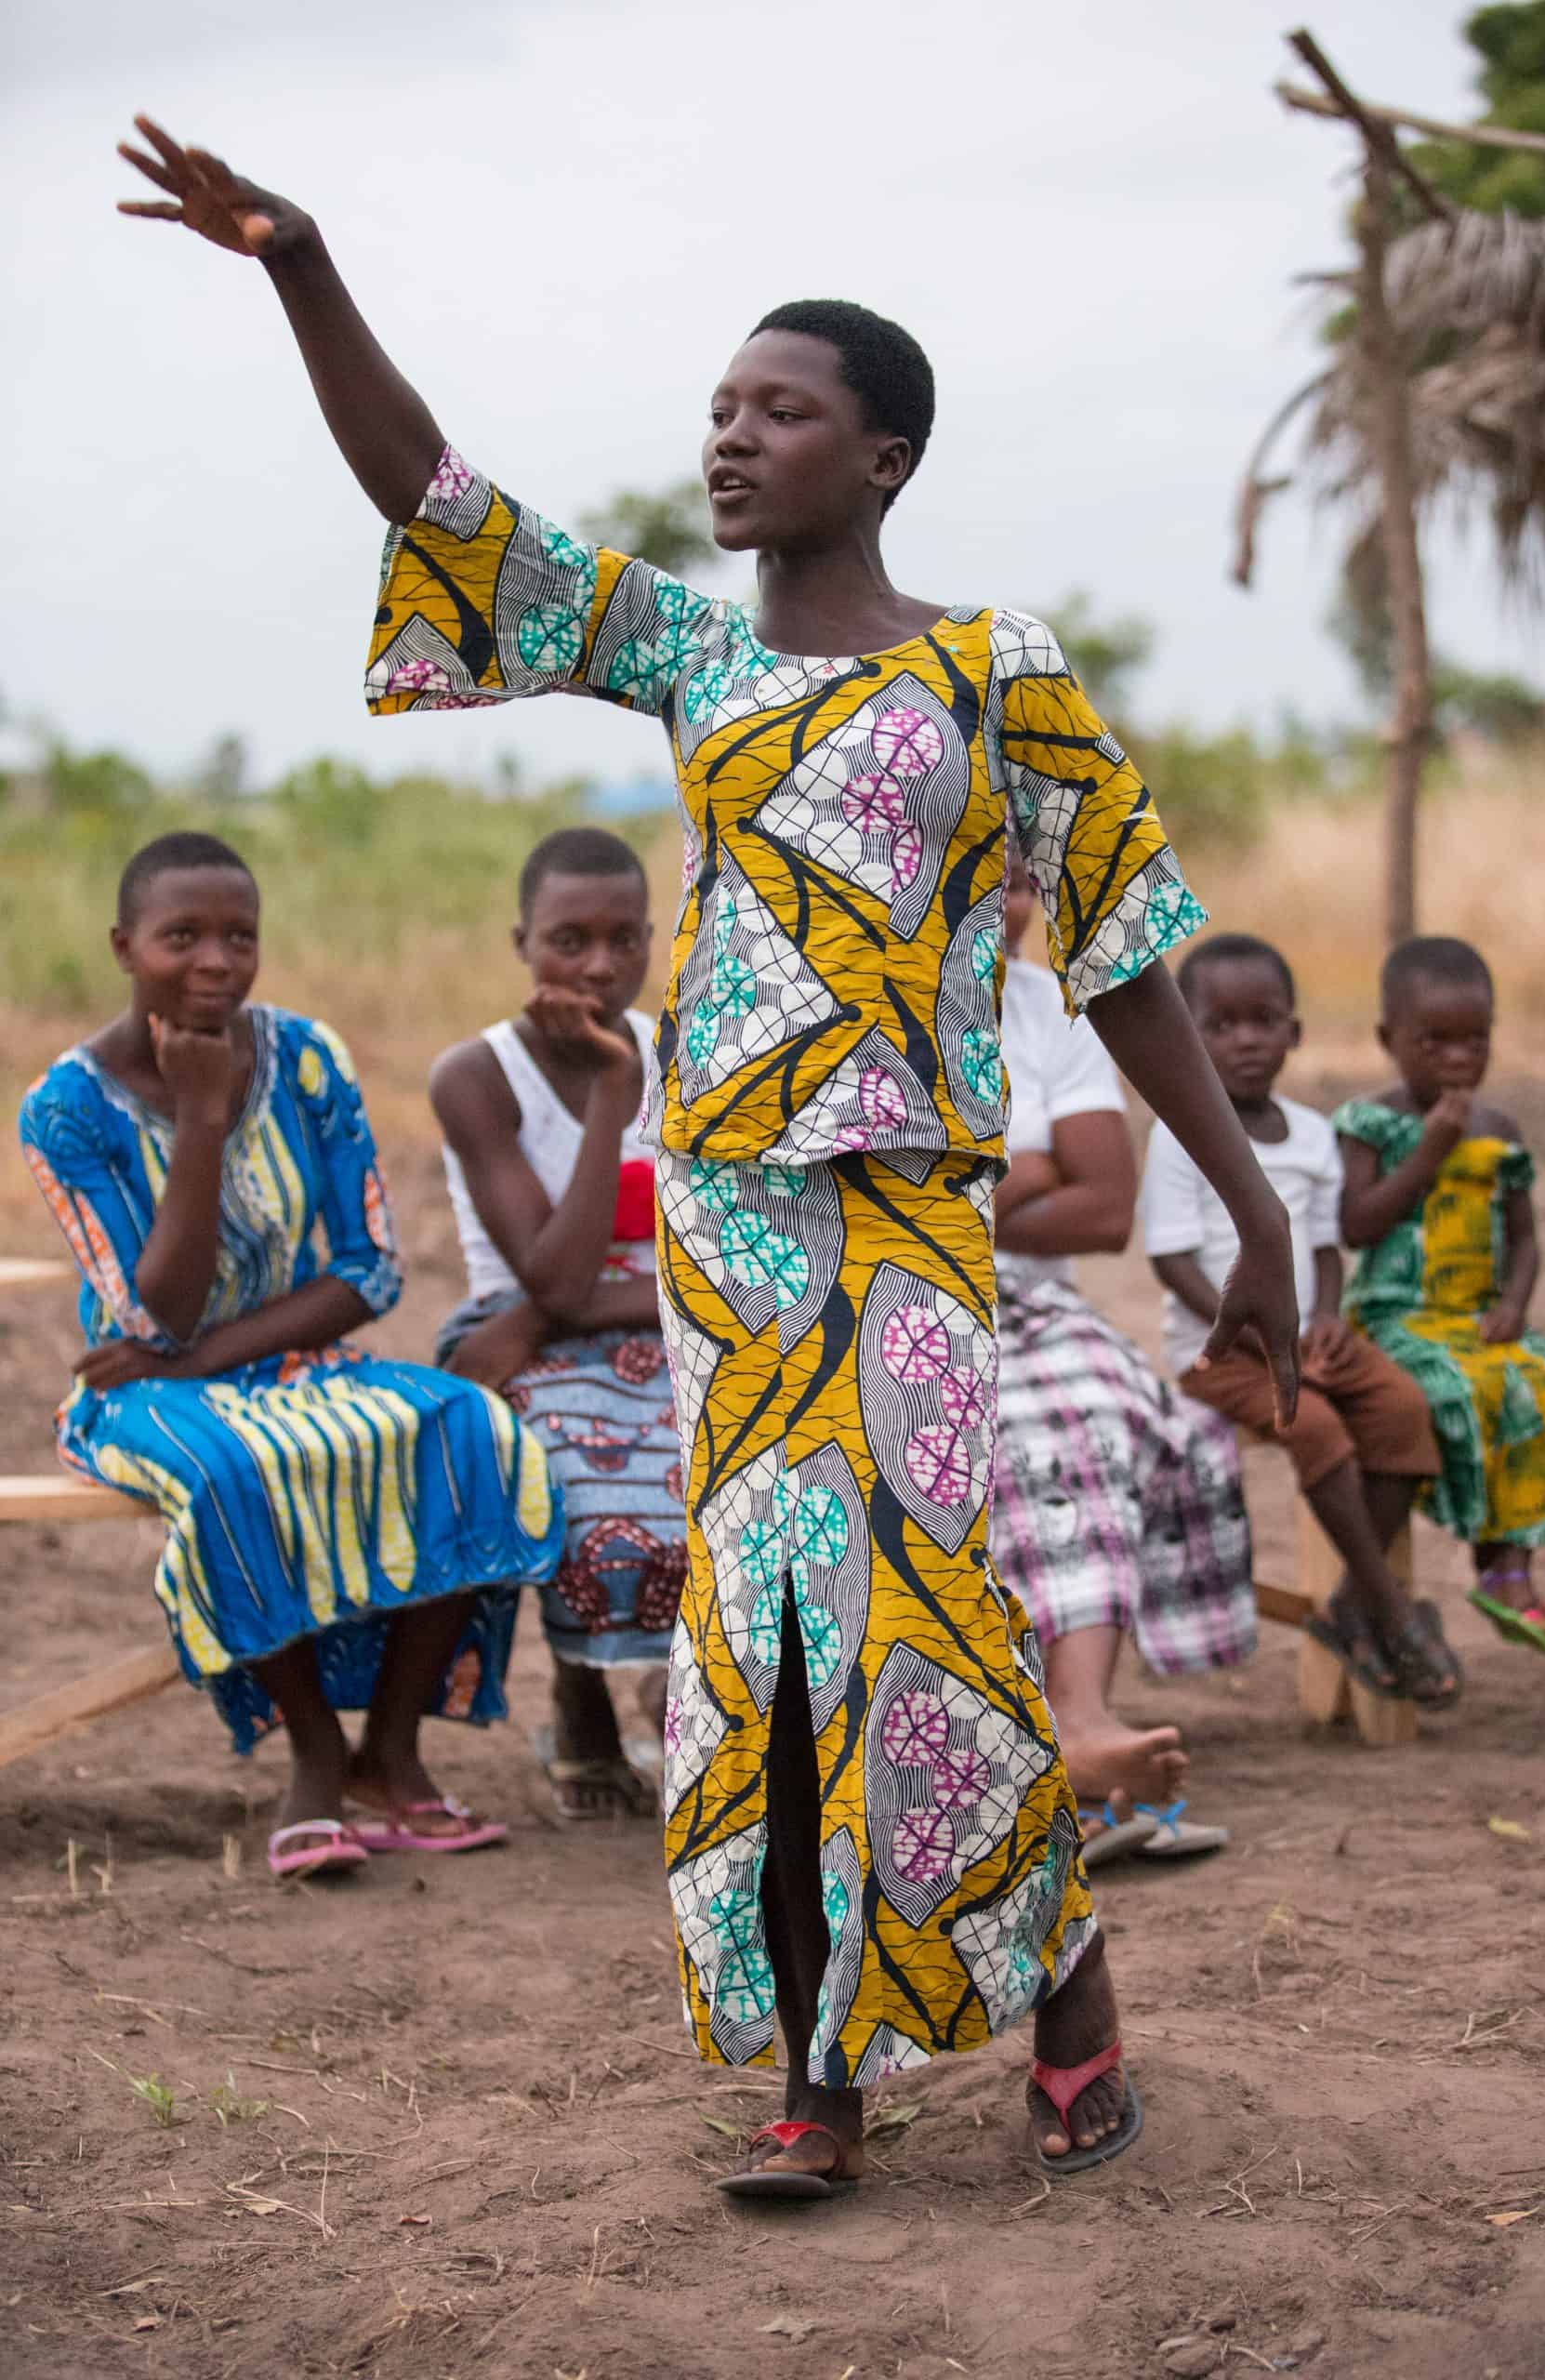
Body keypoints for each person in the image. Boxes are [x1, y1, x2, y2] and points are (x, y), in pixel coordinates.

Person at [115, 118, 1302, 2198]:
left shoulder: (995, 671)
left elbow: (1121, 945)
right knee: (762, 1629)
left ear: (885, 454)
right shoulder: (688, 653)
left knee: (930, 1611)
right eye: (719, 409)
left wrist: (1256, 1195)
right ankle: (814, 2070)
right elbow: (441, 502)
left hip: (915, 1206)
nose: (733, 439)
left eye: (784, 408)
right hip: (741, 1213)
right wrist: (300, 264)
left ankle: (1065, 1988)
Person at [19, 832, 561, 1878]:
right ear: (126, 947)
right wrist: (207, 1117)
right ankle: (315, 1759)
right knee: (236, 1470)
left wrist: (205, 1354)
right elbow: (155, 1316)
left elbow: (368, 1272)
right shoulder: (64, 1109)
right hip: (139, 1394)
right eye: (184, 937)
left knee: (469, 1429)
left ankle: (391, 1752)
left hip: (277, 1362)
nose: (217, 961)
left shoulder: (308, 1057)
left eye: (240, 936)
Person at [993, 857, 1253, 1858]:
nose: (1005, 897)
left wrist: (970, 1189)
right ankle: (1046, 1740)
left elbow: (1106, 1211)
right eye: (980, 864)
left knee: (1097, 1401)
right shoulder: (865, 1000)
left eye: (1022, 876)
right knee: (984, 1424)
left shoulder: (1052, 1011)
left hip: (1034, 1305)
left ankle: (1080, 1720)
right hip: (897, 1301)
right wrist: (1032, 1168)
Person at [430, 826, 686, 1818]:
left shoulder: (691, 1048)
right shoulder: (477, 1076)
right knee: (577, 1476)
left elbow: (711, 1245)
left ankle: (686, 1693)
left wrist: (592, 1306)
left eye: (625, 940)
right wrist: (616, 1093)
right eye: (568, 940)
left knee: (729, 1468)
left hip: (646, 1320)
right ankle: (582, 1697)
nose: (598, 965)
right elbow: (554, 1274)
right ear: (520, 943)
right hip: (523, 1320)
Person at [1142, 933, 1459, 1706]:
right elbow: (1172, 1261)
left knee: (1403, 1410)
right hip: (1218, 1350)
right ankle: (1388, 1609)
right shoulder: (1177, 1137)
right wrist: (1250, 1329)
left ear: (1295, 1032)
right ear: (1185, 1035)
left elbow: (1321, 1250)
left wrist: (1322, 1319)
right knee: (1313, 1426)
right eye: (1219, 1024)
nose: (1246, 1039)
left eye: (1263, 1019)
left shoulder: (1314, 1135)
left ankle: (1351, 1605)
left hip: (1303, 1337)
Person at [1335, 935, 1545, 1703]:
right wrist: (1430, 1149)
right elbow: (1358, 1225)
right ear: (1388, 1042)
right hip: (1394, 1315)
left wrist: (1512, 1304)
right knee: (1451, 1392)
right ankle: (1486, 1558)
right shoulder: (1367, 1123)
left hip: (1476, 1315)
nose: (1455, 1058)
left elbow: (1522, 1240)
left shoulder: (1501, 1129)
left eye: (1473, 1040)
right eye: (1432, 1041)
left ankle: (1507, 1563)